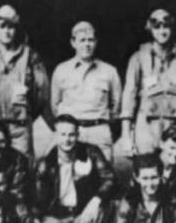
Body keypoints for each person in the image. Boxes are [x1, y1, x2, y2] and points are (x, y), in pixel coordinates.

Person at [35, 114, 118, 223]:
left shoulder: (91, 153)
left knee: (103, 212)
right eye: (63, 134)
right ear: (56, 136)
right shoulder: (46, 164)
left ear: (78, 135)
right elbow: (38, 202)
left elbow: (110, 179)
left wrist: (95, 201)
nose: (67, 139)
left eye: (71, 135)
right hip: (57, 216)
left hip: (83, 213)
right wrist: (45, 221)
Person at [0, 5, 51, 161]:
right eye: (2, 27)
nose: (7, 32)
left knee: (23, 167)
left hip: (19, 126)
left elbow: (42, 91)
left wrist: (28, 111)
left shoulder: (30, 56)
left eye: (11, 27)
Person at [122, 8, 176, 156]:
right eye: (157, 27)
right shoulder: (138, 58)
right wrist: (126, 136)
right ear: (150, 29)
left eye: (166, 27)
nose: (162, 31)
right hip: (146, 127)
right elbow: (129, 98)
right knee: (147, 170)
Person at [50, 21, 122, 161]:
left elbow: (116, 106)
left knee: (105, 175)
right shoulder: (61, 70)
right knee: (66, 173)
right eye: (82, 40)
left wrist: (101, 122)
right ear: (73, 42)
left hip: (99, 131)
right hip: (70, 132)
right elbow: (55, 105)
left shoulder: (110, 71)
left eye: (91, 40)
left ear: (96, 42)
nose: (87, 44)